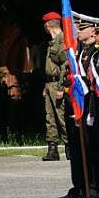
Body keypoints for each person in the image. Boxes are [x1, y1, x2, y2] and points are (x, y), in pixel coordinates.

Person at [41, 12, 67, 162]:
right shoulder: (52, 42)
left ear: (48, 25)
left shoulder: (61, 41)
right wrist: (46, 86)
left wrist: (61, 87)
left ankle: (70, 146)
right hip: (50, 83)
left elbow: (65, 65)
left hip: (58, 83)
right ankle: (52, 148)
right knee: (50, 117)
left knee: (61, 117)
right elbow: (50, 66)